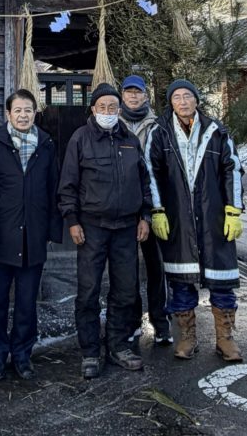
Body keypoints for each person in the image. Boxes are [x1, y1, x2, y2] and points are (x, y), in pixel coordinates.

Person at [146, 79, 245, 363]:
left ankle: (225, 338)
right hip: (177, 218)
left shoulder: (217, 131)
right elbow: (150, 171)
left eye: (187, 96)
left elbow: (233, 169)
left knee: (221, 280)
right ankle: (187, 337)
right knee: (181, 280)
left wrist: (233, 210)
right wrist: (157, 210)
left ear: (197, 100)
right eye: (176, 97)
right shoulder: (161, 133)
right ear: (171, 103)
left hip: (214, 217)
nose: (182, 101)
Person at [57, 82, 152, 379]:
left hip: (126, 228)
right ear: (93, 109)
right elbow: (68, 184)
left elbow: (144, 182)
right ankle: (89, 351)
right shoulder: (80, 139)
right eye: (103, 107)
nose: (108, 112)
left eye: (113, 107)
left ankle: (118, 345)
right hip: (91, 228)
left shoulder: (129, 140)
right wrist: (72, 220)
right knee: (88, 292)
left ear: (119, 109)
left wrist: (145, 216)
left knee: (125, 291)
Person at [0, 89, 63, 382]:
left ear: (35, 113)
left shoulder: (46, 146)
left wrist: (53, 230)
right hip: (1, 236)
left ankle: (22, 355)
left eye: (28, 110)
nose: (23, 115)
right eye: (18, 110)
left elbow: (54, 188)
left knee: (27, 302)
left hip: (33, 237)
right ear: (8, 114)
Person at [119, 74, 172, 346]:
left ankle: (161, 322)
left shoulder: (158, 126)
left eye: (137, 92)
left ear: (145, 96)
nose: (133, 96)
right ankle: (133, 322)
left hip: (153, 204)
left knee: (156, 267)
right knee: (127, 269)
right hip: (125, 206)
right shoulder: (113, 124)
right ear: (122, 95)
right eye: (128, 92)